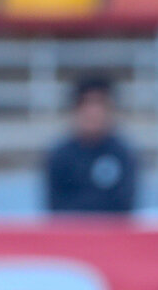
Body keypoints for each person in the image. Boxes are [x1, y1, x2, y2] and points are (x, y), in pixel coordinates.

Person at [44, 75, 138, 215]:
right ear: (76, 109)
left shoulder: (123, 154)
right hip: (71, 229)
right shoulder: (60, 156)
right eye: (87, 104)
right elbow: (55, 207)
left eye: (100, 104)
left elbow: (125, 206)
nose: (93, 112)